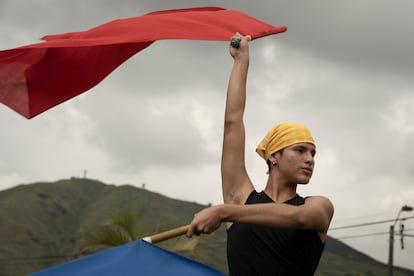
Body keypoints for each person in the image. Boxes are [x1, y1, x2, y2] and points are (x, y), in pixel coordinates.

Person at [186, 33, 334, 275]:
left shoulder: (319, 207)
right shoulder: (239, 197)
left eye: (313, 153)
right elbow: (232, 122)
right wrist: (240, 60)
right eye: (300, 150)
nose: (310, 159)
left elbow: (299, 218)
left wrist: (223, 212)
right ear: (273, 156)